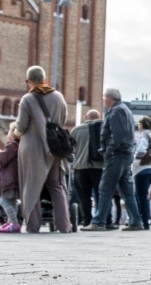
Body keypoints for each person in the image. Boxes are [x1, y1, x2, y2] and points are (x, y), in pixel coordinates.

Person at [14, 66, 71, 233]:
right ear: (44, 79)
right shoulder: (59, 96)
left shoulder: (28, 99)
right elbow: (63, 118)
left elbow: (22, 125)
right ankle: (63, 225)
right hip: (54, 148)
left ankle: (33, 225)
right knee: (56, 185)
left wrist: (15, 134)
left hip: (32, 148)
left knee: (32, 186)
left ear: (29, 80)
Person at [84, 89, 143, 231]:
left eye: (104, 98)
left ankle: (98, 221)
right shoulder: (126, 110)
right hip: (126, 153)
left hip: (117, 154)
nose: (104, 101)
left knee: (105, 188)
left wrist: (109, 150)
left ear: (110, 99)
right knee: (126, 190)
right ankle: (135, 221)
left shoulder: (116, 111)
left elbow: (118, 135)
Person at [71, 109, 104, 227]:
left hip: (80, 168)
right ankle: (101, 220)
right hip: (98, 167)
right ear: (98, 117)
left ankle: (87, 220)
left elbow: (70, 149)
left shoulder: (75, 130)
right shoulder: (102, 129)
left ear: (86, 117)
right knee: (100, 194)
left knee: (84, 196)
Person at [132, 116, 151, 231]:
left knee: (140, 196)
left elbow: (141, 151)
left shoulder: (143, 135)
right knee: (143, 196)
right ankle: (145, 220)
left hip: (142, 169)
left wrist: (134, 162)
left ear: (141, 125)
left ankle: (143, 221)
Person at [0, 124, 21, 233]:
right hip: (15, 179)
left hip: (9, 179)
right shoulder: (19, 145)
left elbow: (2, 159)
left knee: (3, 201)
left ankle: (15, 223)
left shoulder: (12, 146)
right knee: (12, 201)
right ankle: (10, 222)